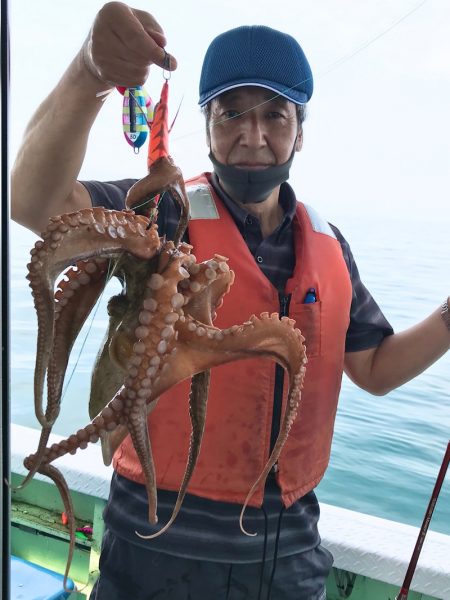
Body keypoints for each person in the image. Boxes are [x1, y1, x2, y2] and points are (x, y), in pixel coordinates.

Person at [11, 3, 450, 599]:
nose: (253, 135)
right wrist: (89, 73)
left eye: (275, 114)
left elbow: (375, 367)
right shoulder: (161, 212)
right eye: (231, 114)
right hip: (151, 544)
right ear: (207, 123)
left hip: (289, 549)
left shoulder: (327, 244)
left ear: (301, 127)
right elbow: (36, 204)